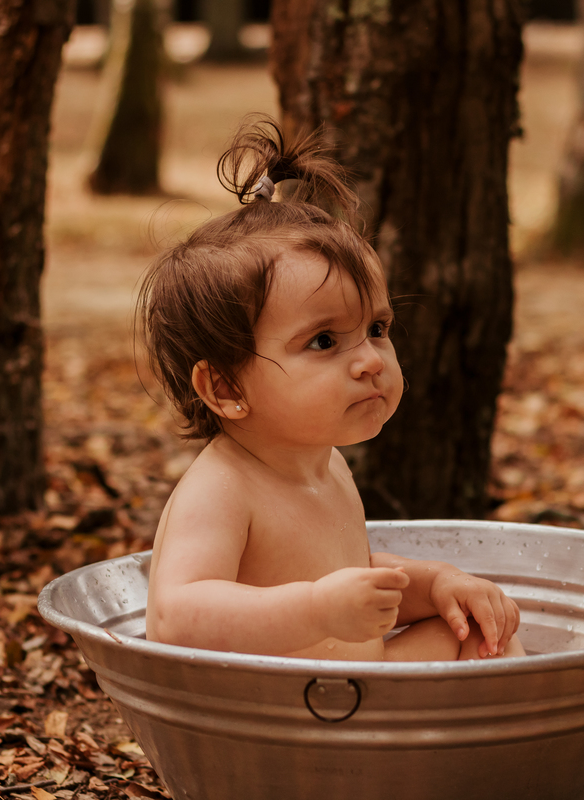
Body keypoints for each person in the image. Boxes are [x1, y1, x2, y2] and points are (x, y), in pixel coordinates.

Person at [138, 117, 525, 662]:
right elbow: (175, 617)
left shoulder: (327, 465)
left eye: (377, 329)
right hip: (279, 723)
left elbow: (348, 576)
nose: (369, 360)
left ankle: (511, 743)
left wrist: (434, 584)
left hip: (353, 702)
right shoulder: (223, 490)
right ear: (225, 387)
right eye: (323, 341)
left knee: (482, 638)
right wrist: (316, 610)